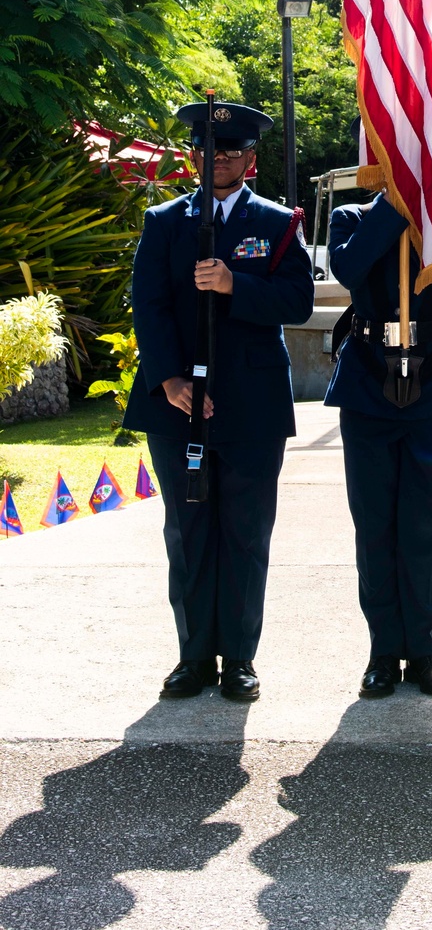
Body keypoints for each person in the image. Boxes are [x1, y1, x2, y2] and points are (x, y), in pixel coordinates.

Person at [123, 100, 314, 703]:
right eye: (209, 150)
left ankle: (239, 659)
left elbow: (297, 302)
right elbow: (148, 306)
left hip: (250, 404)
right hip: (179, 403)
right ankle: (193, 656)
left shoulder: (279, 223)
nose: (218, 160)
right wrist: (169, 382)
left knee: (246, 531)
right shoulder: (165, 222)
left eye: (231, 152)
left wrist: (237, 284)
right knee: (187, 529)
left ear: (250, 160)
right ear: (193, 155)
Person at [325, 161, 432, 701]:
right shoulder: (351, 218)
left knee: (424, 525)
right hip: (369, 384)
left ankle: (422, 650)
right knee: (374, 527)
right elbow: (349, 270)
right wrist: (391, 208)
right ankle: (380, 652)